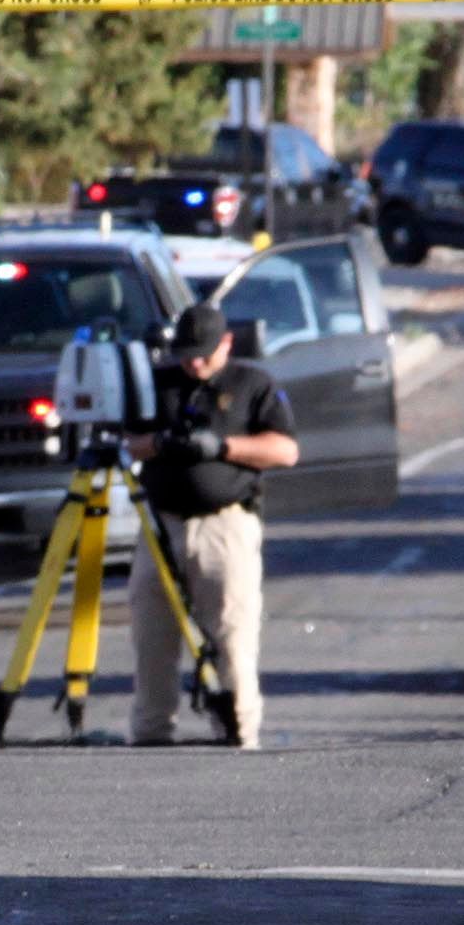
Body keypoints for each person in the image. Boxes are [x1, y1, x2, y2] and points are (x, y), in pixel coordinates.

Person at [128, 301, 300, 749]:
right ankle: (150, 733)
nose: (195, 362)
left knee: (232, 632)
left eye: (204, 352)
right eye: (186, 353)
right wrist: (161, 442)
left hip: (225, 524)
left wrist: (222, 447)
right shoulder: (161, 383)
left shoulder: (251, 384)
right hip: (161, 525)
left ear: (226, 342)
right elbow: (127, 443)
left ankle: (240, 732)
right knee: (151, 634)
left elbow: (285, 450)